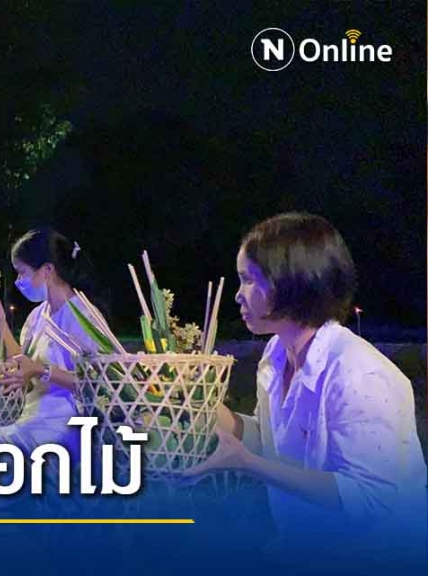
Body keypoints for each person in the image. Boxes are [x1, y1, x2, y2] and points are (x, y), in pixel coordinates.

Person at [182, 213, 427, 559]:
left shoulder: (358, 373)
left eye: (248, 280)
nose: (238, 295)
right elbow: (268, 440)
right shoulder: (276, 356)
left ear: (291, 282)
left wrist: (248, 463)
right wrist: (195, 404)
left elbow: (369, 498)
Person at [0, 228, 101, 504]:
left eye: (22, 273)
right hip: (32, 418)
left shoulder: (83, 316)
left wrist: (43, 371)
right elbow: (24, 363)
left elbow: (97, 384)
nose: (19, 282)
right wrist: (2, 327)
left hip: (66, 424)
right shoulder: (37, 317)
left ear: (47, 270)